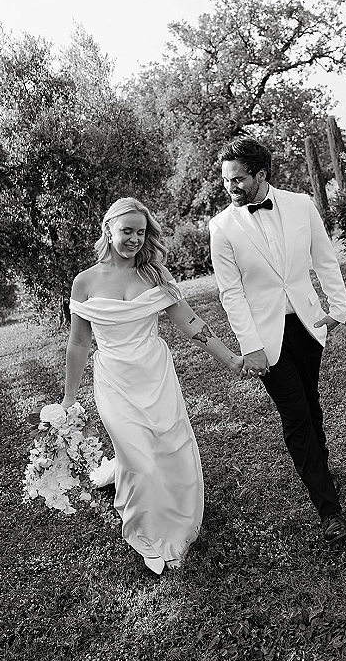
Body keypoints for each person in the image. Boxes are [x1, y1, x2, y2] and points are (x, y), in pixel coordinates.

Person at [62, 197, 242, 575]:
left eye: (141, 233)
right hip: (113, 380)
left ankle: (177, 519)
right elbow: (79, 342)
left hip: (155, 374)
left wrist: (230, 358)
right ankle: (146, 530)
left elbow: (190, 322)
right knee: (138, 457)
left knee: (169, 446)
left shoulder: (155, 276)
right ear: (108, 229)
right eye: (127, 230)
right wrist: (68, 398)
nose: (134, 239)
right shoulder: (85, 282)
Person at [209, 137, 346, 546]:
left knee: (311, 405)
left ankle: (321, 472)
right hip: (266, 339)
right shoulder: (221, 227)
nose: (230, 187)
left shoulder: (301, 205)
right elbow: (230, 293)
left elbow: (324, 259)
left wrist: (336, 308)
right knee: (296, 416)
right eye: (225, 180)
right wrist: (249, 345)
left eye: (237, 179)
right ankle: (329, 510)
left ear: (261, 175)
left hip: (308, 327)